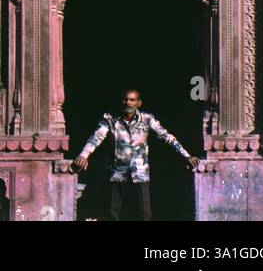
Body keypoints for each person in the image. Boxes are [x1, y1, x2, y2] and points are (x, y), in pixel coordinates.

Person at [72, 88, 198, 221]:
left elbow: (167, 137)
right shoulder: (110, 119)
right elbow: (96, 138)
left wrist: (186, 155)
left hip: (140, 173)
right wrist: (83, 155)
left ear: (139, 103)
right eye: (125, 99)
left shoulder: (148, 119)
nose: (128, 103)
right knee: (113, 213)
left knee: (144, 214)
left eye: (132, 100)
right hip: (117, 173)